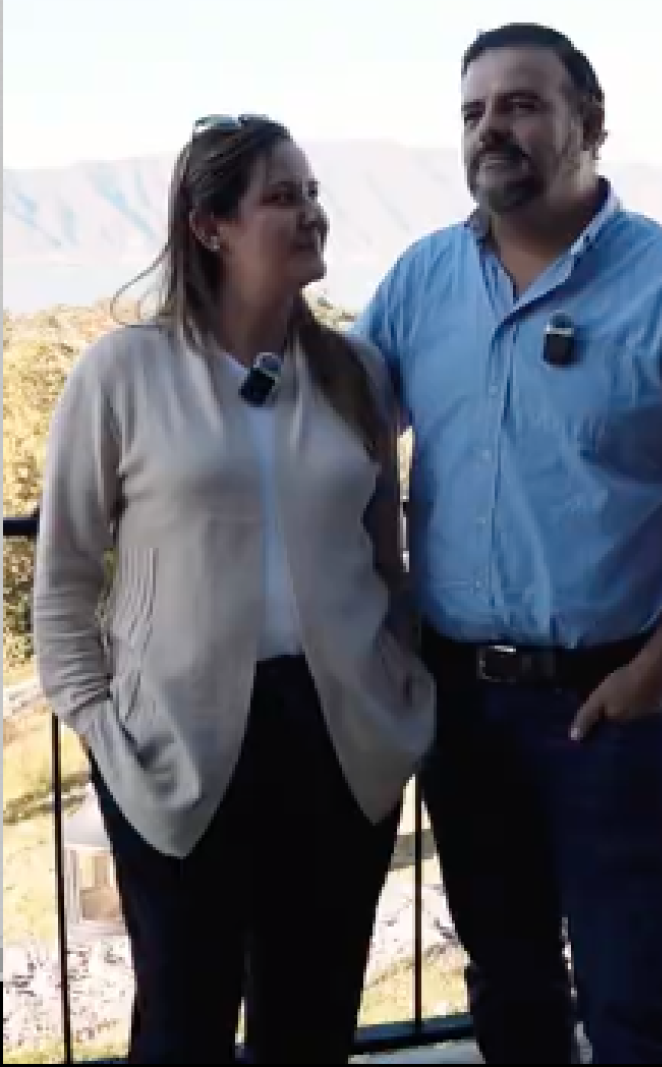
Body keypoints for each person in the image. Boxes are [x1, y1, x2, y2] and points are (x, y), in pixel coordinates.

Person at [354, 23, 662, 1065]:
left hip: (611, 703)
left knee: (631, 991)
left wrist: (657, 668)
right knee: (507, 982)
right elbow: (347, 438)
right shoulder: (421, 280)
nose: (489, 129)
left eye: (519, 104)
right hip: (459, 701)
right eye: (472, 111)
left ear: (587, 122)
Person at [33, 113, 436, 1065]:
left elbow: (387, 563)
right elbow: (65, 581)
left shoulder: (356, 375)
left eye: (313, 193)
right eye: (282, 197)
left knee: (312, 1024)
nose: (311, 214)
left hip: (340, 741)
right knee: (184, 1026)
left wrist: (400, 691)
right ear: (210, 226)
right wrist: (102, 726)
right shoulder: (122, 374)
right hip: (175, 742)